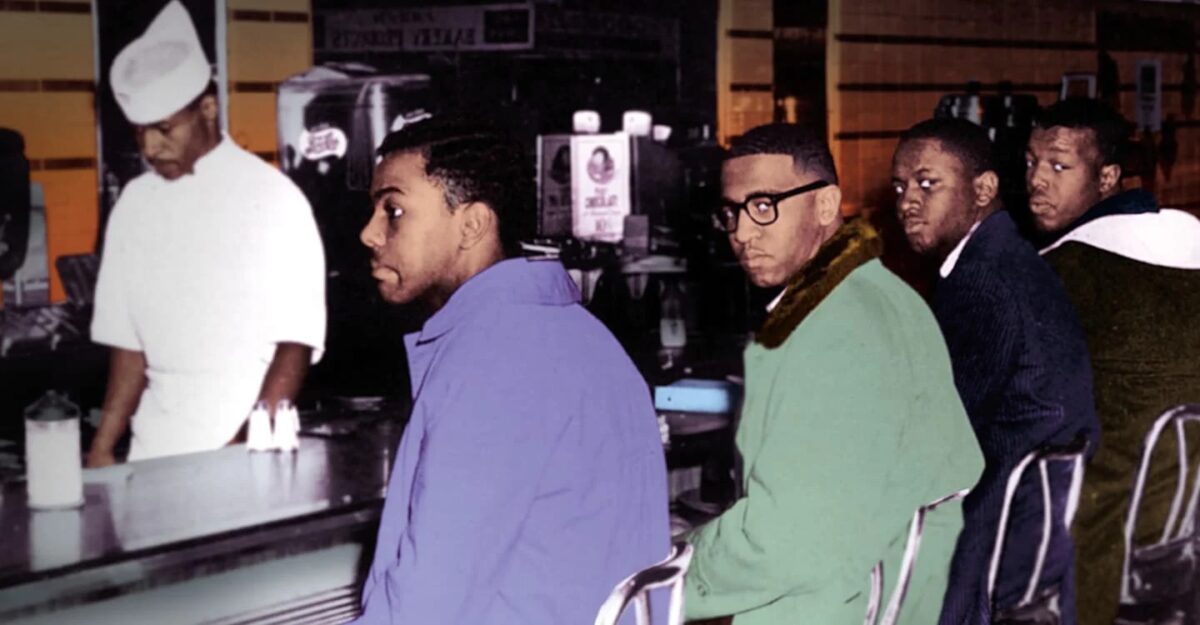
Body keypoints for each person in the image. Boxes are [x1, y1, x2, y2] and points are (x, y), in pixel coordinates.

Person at [351, 114, 669, 624]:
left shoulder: (493, 361)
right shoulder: (581, 334)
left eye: (393, 210)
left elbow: (424, 611)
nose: (369, 233)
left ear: (472, 224)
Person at [683, 122, 983, 624]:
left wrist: (672, 567)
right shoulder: (876, 295)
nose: (741, 232)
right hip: (885, 596)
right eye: (731, 212)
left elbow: (782, 544)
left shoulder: (835, 331)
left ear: (825, 205)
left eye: (764, 206)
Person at [88, 0, 325, 464]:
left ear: (209, 109)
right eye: (139, 133)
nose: (150, 147)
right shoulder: (134, 205)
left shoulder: (274, 198)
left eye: (163, 129)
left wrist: (237, 456)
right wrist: (101, 447)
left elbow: (294, 345)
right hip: (152, 452)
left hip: (243, 446)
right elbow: (129, 348)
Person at [892, 118, 1098, 624]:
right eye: (900, 187)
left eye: (927, 183)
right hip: (1039, 535)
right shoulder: (1009, 258)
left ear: (983, 189)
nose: (907, 202)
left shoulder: (981, 282)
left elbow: (938, 438)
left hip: (991, 541)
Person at [1026, 98, 1200, 624]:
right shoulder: (1190, 241)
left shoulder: (1057, 274)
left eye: (1059, 167)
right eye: (1030, 163)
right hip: (1184, 528)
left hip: (1103, 544)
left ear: (1107, 178)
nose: (1037, 180)